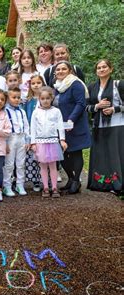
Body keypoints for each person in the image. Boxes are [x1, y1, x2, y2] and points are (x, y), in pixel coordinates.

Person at [86, 59, 123, 195]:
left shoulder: (118, 85)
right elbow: (86, 107)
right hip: (99, 126)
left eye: (104, 67)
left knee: (115, 155)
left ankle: (118, 184)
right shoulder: (91, 87)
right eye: (99, 68)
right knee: (101, 155)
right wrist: (97, 106)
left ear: (111, 69)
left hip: (117, 125)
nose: (101, 69)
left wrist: (115, 109)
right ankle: (102, 183)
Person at [54, 60, 90, 194]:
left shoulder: (75, 84)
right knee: (62, 153)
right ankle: (70, 178)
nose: (60, 71)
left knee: (75, 152)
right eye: (58, 70)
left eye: (63, 69)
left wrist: (71, 120)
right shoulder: (57, 87)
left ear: (70, 71)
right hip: (60, 125)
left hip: (75, 124)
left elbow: (80, 104)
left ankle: (76, 181)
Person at [31, 86, 67, 198]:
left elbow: (60, 126)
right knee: (42, 166)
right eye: (42, 98)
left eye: (47, 98)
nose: (45, 100)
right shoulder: (36, 112)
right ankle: (46, 187)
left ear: (51, 98)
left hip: (53, 142)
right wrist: (33, 142)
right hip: (40, 142)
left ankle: (55, 187)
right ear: (39, 99)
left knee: (53, 166)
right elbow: (33, 128)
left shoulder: (56, 111)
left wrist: (62, 140)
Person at [3, 87, 30, 197]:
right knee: (9, 164)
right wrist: (4, 143)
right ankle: (7, 185)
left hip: (21, 138)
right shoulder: (5, 111)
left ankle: (20, 184)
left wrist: (28, 139)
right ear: (8, 98)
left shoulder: (22, 111)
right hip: (10, 139)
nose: (16, 99)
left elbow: (26, 126)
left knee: (21, 163)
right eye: (13, 97)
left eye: (18, 97)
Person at [23, 73, 46, 191]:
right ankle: (35, 181)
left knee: (43, 157)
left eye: (38, 83)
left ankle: (46, 181)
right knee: (33, 157)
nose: (36, 85)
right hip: (32, 132)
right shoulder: (28, 101)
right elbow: (26, 117)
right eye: (33, 83)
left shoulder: (46, 99)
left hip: (44, 132)